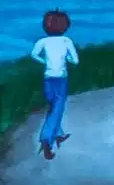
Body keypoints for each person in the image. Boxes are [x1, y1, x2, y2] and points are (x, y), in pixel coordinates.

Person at [30, 8, 80, 158]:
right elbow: (76, 61)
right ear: (65, 26)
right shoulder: (66, 41)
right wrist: (67, 60)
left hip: (47, 79)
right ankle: (47, 140)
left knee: (53, 107)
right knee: (57, 109)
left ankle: (59, 134)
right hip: (60, 79)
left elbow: (33, 55)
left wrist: (44, 61)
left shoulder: (42, 41)